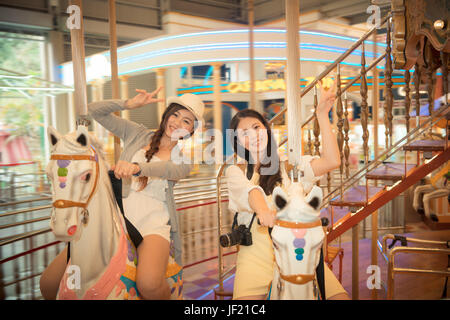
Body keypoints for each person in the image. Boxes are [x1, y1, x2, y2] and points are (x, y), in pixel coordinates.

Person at [40, 88, 204, 300]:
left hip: (151, 223)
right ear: (166, 115)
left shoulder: (183, 160)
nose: (177, 123)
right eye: (175, 115)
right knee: (48, 282)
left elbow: (167, 170)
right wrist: (128, 104)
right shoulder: (137, 133)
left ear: (191, 131)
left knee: (149, 284)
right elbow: (95, 111)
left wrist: (137, 167)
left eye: (187, 121)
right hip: (116, 216)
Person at [225, 80, 350, 300]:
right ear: (238, 142)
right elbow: (250, 193)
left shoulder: (290, 166)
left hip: (296, 255)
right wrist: (264, 212)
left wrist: (322, 114)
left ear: (266, 129)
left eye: (256, 127)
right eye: (244, 133)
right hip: (256, 256)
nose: (252, 135)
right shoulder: (236, 171)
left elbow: (331, 161)